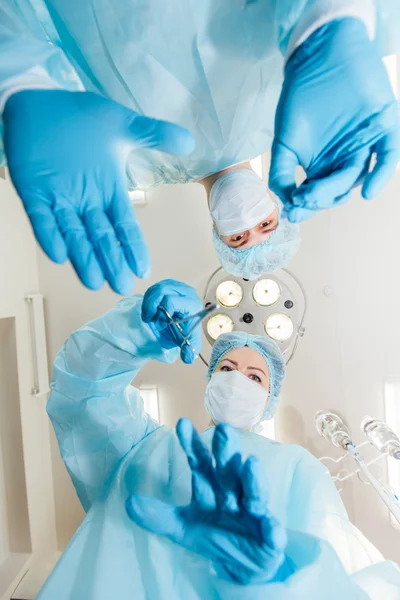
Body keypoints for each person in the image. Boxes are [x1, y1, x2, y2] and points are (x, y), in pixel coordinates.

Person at [38, 279, 400, 599]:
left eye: (255, 377)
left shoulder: (297, 465)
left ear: (268, 404)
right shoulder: (141, 446)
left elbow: (341, 559)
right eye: (226, 368)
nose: (238, 379)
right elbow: (83, 392)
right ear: (210, 380)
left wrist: (277, 580)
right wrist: (138, 331)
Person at [1, 2, 399, 292]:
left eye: (238, 238)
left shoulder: (131, 167)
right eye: (265, 225)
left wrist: (20, 82)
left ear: (215, 230)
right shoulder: (282, 109)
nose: (246, 220)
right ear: (280, 207)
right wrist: (331, 21)